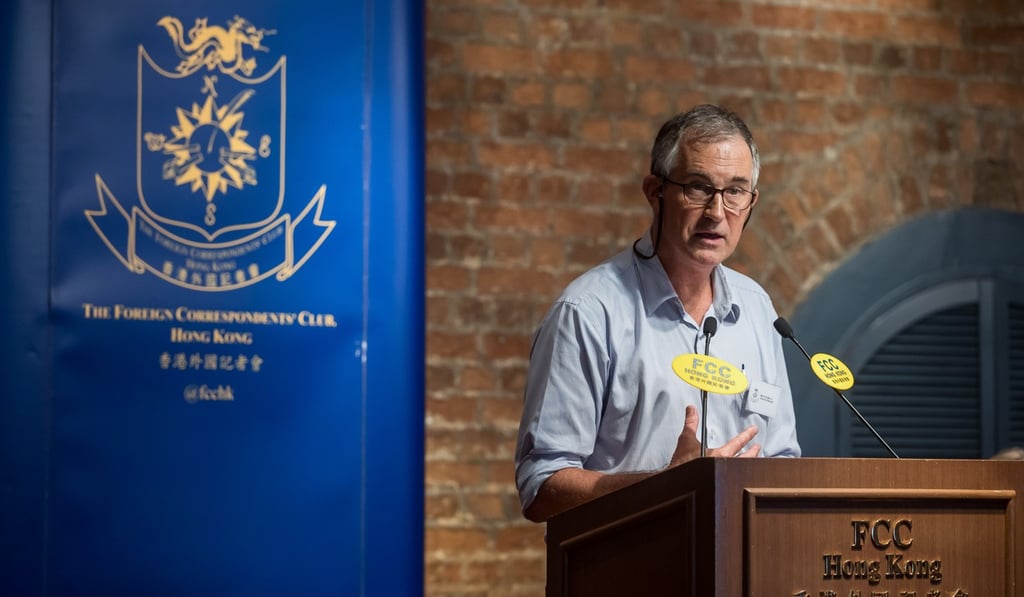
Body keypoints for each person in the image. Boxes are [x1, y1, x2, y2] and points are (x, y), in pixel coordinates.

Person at [514, 104, 801, 523]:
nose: (717, 212)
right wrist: (663, 487)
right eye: (698, 188)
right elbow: (541, 486)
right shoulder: (588, 313)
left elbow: (783, 457)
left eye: (735, 192)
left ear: (751, 201)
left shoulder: (758, 309)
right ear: (655, 191)